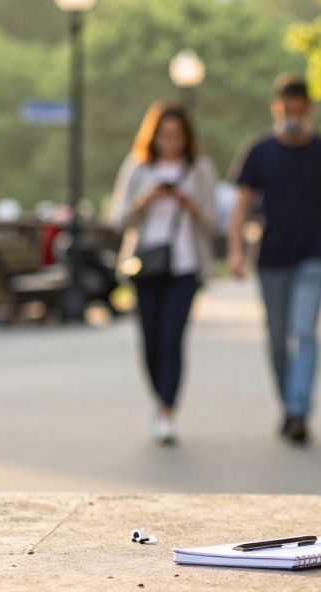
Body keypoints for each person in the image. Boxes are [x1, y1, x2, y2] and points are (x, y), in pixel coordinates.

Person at [227, 74, 321, 446]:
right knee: (277, 337)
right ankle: (288, 404)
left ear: (309, 110)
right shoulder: (259, 151)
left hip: (314, 255)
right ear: (275, 108)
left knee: (306, 332)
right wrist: (236, 251)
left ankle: (299, 410)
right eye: (286, 109)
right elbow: (240, 207)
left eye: (298, 110)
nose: (292, 116)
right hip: (271, 258)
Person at [108, 101, 219, 446]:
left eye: (177, 136)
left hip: (185, 267)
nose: (170, 142)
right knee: (150, 342)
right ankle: (159, 400)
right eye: (164, 136)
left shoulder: (199, 169)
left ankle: (167, 410)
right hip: (145, 267)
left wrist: (190, 205)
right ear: (153, 137)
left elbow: (214, 222)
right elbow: (117, 219)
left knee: (172, 339)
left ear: (187, 138)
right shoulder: (138, 167)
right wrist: (144, 201)